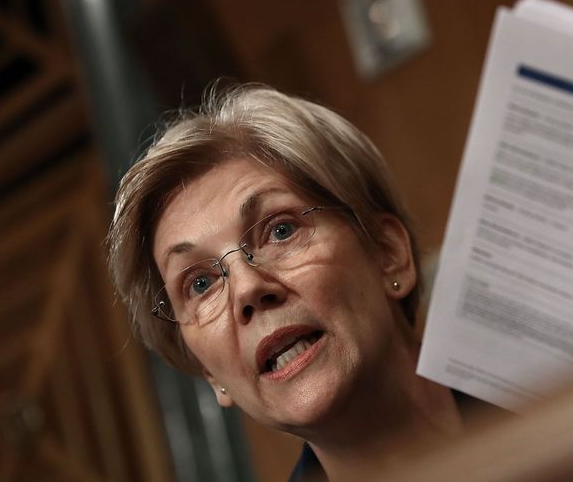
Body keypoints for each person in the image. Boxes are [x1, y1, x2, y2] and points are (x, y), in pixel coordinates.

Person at [107, 85, 463, 480]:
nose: (246, 289)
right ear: (209, 374)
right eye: (200, 284)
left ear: (387, 253)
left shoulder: (538, 386)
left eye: (280, 231)